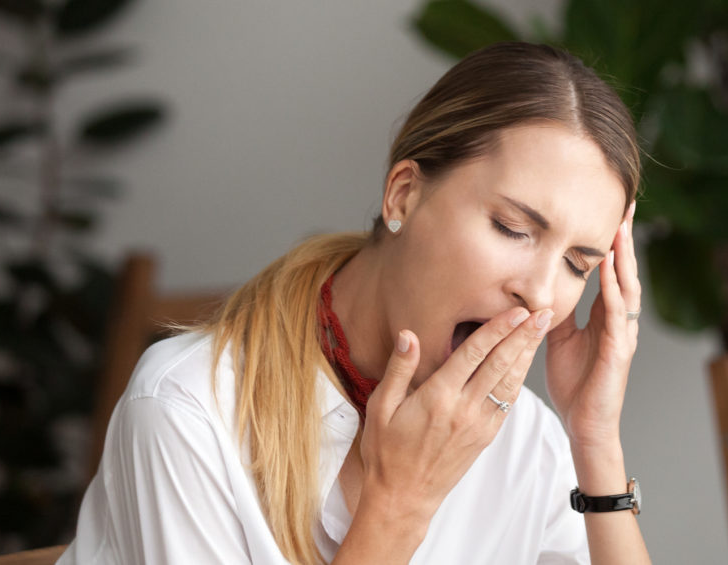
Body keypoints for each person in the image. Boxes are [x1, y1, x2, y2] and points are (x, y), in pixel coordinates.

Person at [59, 42, 650, 564]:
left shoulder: (530, 442)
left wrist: (594, 438)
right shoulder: (186, 411)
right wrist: (400, 503)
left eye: (579, 264)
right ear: (403, 194)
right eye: (513, 227)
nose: (542, 293)